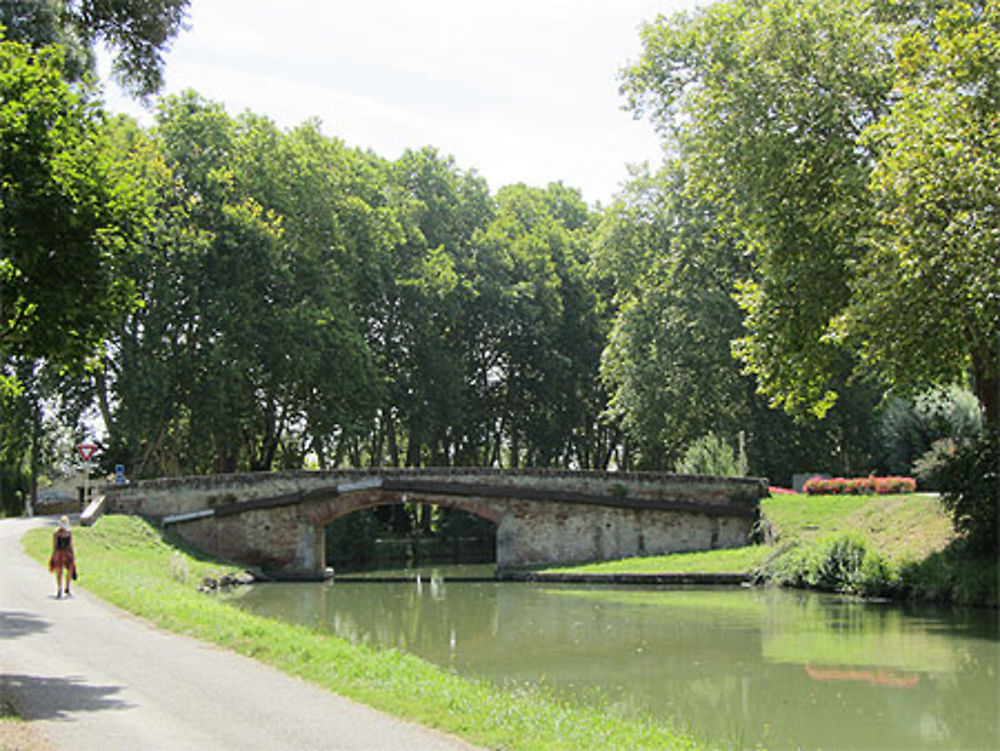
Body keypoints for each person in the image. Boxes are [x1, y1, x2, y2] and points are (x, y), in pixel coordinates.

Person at [49, 516, 76, 598]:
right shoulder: (56, 533)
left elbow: (71, 545)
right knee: (59, 571)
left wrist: (72, 555)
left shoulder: (69, 533)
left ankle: (67, 588)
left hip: (67, 553)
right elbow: (54, 545)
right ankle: (59, 588)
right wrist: (54, 555)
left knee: (70, 570)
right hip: (59, 553)